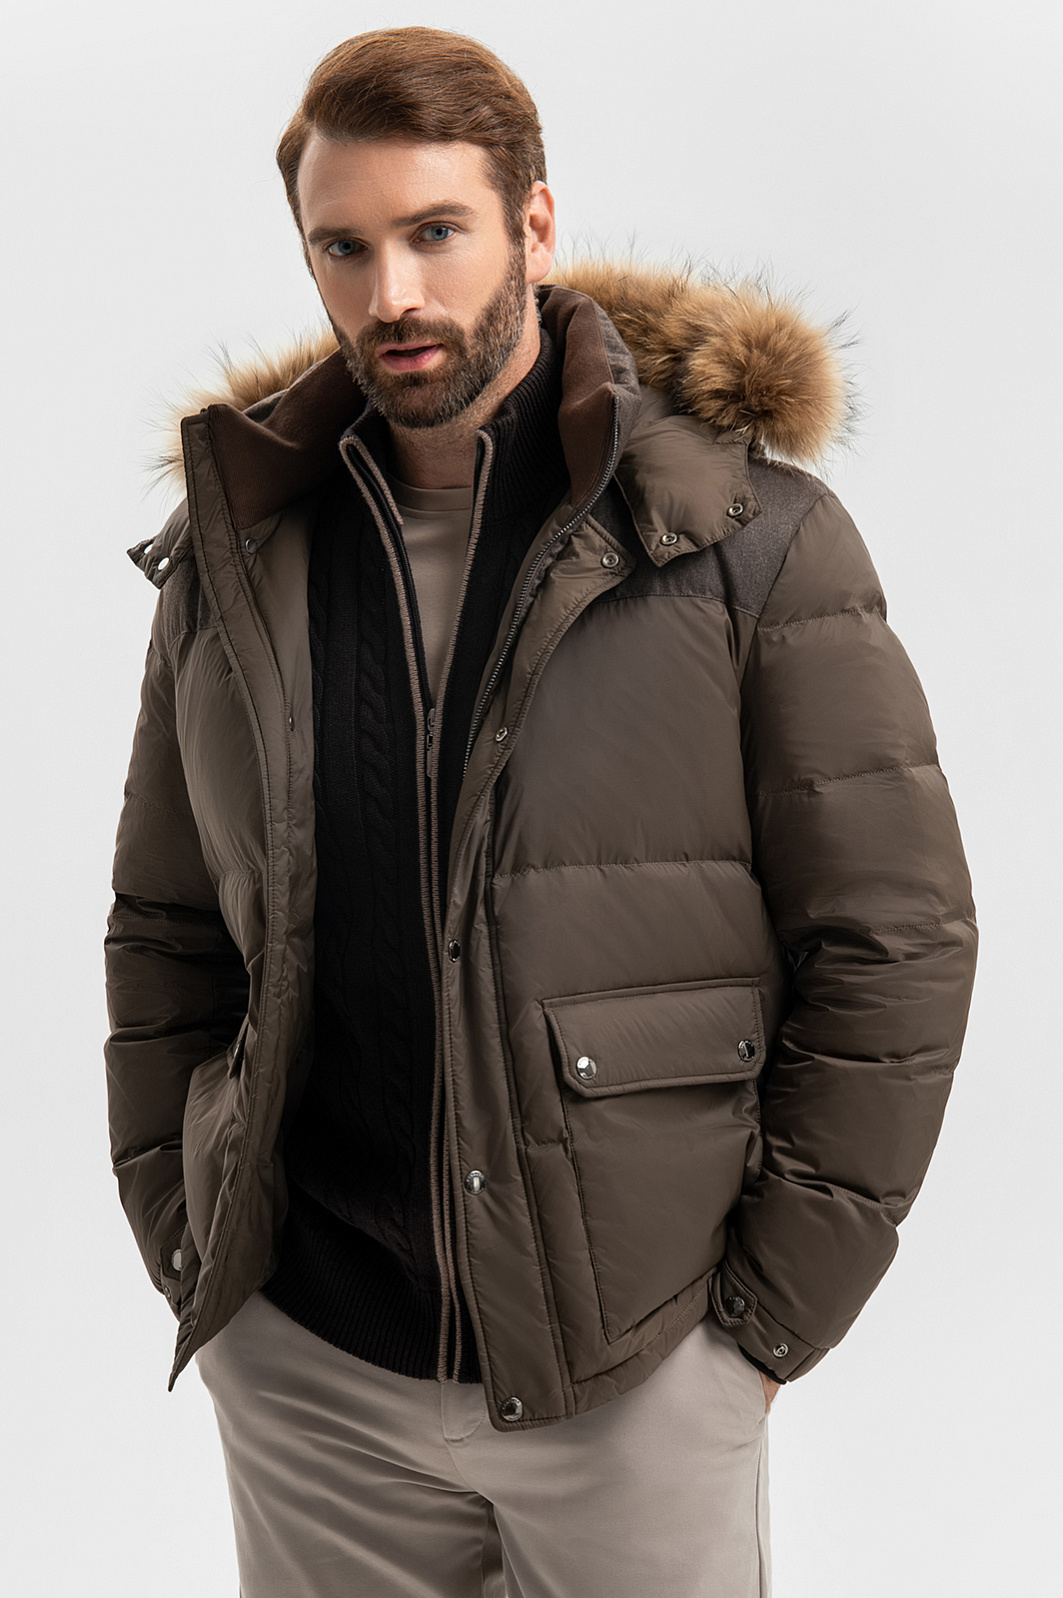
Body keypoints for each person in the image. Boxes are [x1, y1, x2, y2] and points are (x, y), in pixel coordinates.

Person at [104, 25, 977, 1598]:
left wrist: (758, 1329)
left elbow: (894, 942)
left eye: (435, 232)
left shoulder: (746, 541)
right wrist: (200, 1252)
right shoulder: (243, 556)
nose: (394, 293)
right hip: (311, 1375)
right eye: (345, 247)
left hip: (635, 1372)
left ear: (536, 224)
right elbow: (166, 929)